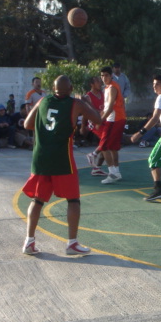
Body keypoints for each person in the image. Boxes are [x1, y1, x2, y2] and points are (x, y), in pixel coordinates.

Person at [21, 75, 101, 255]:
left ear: (53, 88)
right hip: (62, 158)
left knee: (37, 200)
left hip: (41, 157)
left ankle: (29, 241)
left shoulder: (42, 100)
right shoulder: (76, 104)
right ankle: (72, 243)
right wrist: (87, 102)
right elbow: (98, 119)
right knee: (73, 200)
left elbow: (27, 124)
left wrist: (47, 130)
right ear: (71, 89)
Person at [99, 66, 127, 184]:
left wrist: (100, 120)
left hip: (114, 119)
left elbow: (110, 107)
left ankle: (112, 173)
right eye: (102, 75)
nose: (104, 77)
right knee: (113, 147)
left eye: (106, 75)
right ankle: (116, 172)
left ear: (111, 76)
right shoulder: (108, 87)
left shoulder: (112, 88)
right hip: (116, 118)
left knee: (103, 146)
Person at [82, 76, 107, 177]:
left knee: (106, 145)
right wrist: (83, 126)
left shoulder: (102, 94)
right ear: (92, 84)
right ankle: (93, 154)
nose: (100, 83)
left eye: (100, 81)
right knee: (106, 141)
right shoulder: (88, 96)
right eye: (97, 82)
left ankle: (97, 168)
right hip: (94, 122)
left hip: (102, 120)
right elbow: (85, 112)